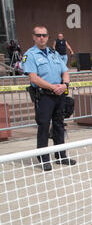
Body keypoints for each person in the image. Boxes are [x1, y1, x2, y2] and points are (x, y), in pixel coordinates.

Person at [21, 25, 76, 171]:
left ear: (47, 37)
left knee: (59, 125)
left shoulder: (54, 53)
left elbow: (65, 71)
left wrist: (65, 84)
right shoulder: (30, 55)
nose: (41, 38)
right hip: (44, 96)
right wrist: (53, 87)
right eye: (38, 35)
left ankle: (61, 156)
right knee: (44, 127)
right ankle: (44, 158)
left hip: (59, 95)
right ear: (33, 37)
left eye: (44, 35)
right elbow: (34, 78)